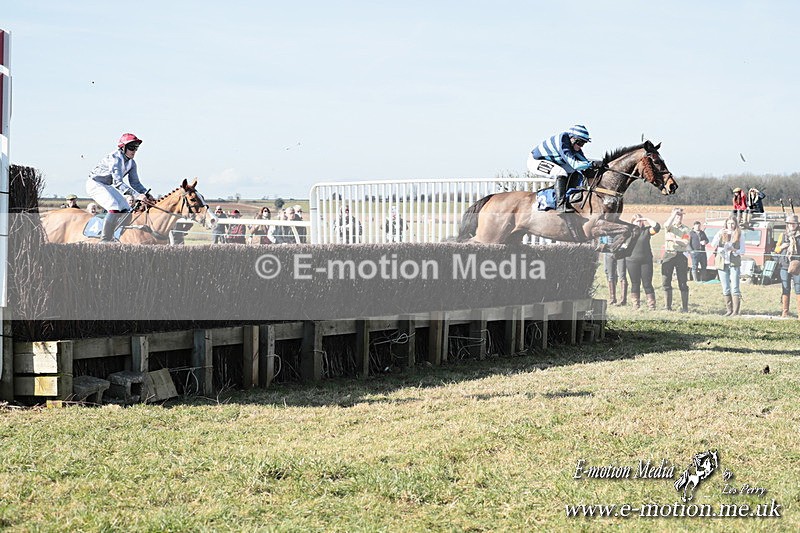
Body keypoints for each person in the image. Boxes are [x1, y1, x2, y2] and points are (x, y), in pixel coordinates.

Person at [85, 133, 153, 242]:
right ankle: (105, 240)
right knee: (114, 206)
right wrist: (136, 195)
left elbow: (135, 183)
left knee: (126, 209)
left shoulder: (132, 163)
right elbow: (118, 183)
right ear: (123, 147)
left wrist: (147, 195)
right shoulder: (115, 159)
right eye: (131, 147)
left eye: (136, 148)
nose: (134, 151)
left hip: (106, 185)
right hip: (94, 184)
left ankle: (116, 234)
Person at [527, 124, 603, 213]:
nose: (581, 146)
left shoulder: (573, 145)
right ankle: (560, 205)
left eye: (583, 143)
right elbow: (576, 165)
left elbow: (584, 161)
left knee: (576, 173)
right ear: (572, 138)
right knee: (561, 172)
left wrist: (597, 164)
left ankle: (568, 199)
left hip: (552, 161)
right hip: (535, 161)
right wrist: (591, 164)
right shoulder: (563, 142)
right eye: (580, 142)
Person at [710, 216, 746, 316]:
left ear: (736, 224)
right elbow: (713, 245)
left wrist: (734, 250)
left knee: (735, 287)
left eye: (732, 223)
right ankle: (729, 310)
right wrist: (719, 235)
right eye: (729, 223)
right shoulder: (721, 232)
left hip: (734, 262)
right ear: (726, 224)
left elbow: (742, 251)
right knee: (725, 287)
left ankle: (735, 311)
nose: (730, 226)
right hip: (722, 262)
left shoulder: (739, 234)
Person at [626, 214, 661, 310]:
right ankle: (635, 305)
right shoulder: (628, 232)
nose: (638, 222)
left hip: (646, 261)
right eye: (636, 221)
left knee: (647, 283)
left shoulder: (647, 231)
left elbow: (657, 227)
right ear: (632, 222)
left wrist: (646, 218)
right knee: (635, 283)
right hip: (631, 261)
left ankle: (651, 305)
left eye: (640, 221)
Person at [662, 207, 691, 312]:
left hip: (680, 255)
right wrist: (673, 214)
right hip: (669, 254)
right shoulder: (669, 226)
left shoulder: (686, 229)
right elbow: (666, 225)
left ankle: (685, 307)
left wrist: (673, 239)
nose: (679, 217)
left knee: (682, 282)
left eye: (681, 215)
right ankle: (667, 306)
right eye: (677, 215)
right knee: (666, 280)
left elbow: (685, 243)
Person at [774, 213, 800, 318]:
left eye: (794, 224)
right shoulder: (783, 235)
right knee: (785, 288)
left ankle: (799, 313)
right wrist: (782, 247)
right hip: (784, 265)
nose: (792, 225)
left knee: (798, 288)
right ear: (787, 225)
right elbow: (776, 250)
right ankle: (785, 312)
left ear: (797, 225)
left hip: (797, 266)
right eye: (790, 223)